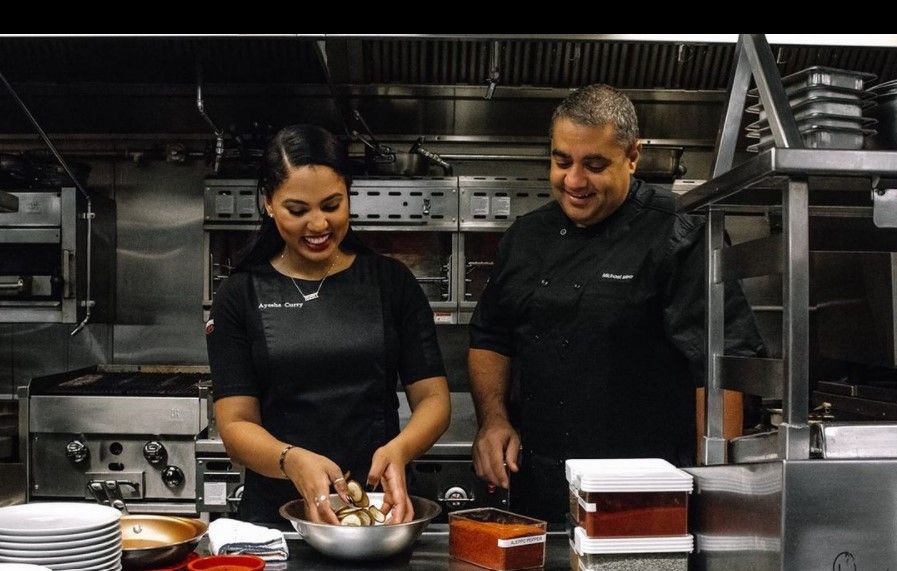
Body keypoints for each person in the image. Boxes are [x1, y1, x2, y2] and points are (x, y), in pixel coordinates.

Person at [468, 85, 765, 523]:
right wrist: (492, 420)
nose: (573, 181)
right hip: (541, 488)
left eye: (594, 165)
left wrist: (715, 488)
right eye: (561, 161)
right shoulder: (526, 237)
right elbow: (491, 336)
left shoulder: (680, 232)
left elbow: (720, 366)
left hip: (644, 491)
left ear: (632, 155)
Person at [206, 124, 451, 525]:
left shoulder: (391, 282)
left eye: (332, 205)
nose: (318, 225)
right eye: (298, 210)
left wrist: (402, 448)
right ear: (268, 202)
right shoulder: (240, 294)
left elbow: (434, 400)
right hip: (276, 518)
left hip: (378, 510)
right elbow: (235, 425)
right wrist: (290, 460)